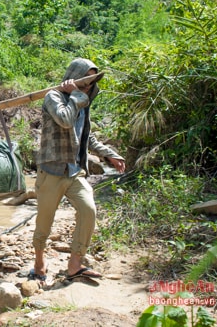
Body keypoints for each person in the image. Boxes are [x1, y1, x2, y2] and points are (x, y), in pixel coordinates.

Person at [31, 58, 126, 282]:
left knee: (88, 211)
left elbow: (86, 136)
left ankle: (75, 265)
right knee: (44, 221)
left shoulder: (82, 102)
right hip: (52, 171)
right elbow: (64, 120)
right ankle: (38, 261)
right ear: (72, 78)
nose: (87, 88)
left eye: (91, 84)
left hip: (75, 172)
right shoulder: (53, 97)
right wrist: (76, 96)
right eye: (84, 82)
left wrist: (109, 153)